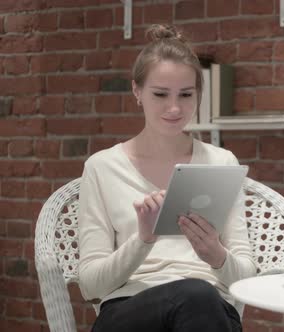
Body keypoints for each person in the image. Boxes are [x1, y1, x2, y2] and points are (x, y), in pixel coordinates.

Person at [78, 24, 256, 332]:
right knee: (194, 294)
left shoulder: (220, 162)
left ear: (198, 94)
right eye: (160, 94)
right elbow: (90, 287)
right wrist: (143, 240)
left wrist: (215, 255)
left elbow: (246, 281)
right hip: (129, 312)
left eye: (186, 95)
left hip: (209, 309)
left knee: (199, 297)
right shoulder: (102, 167)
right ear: (137, 91)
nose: (174, 108)